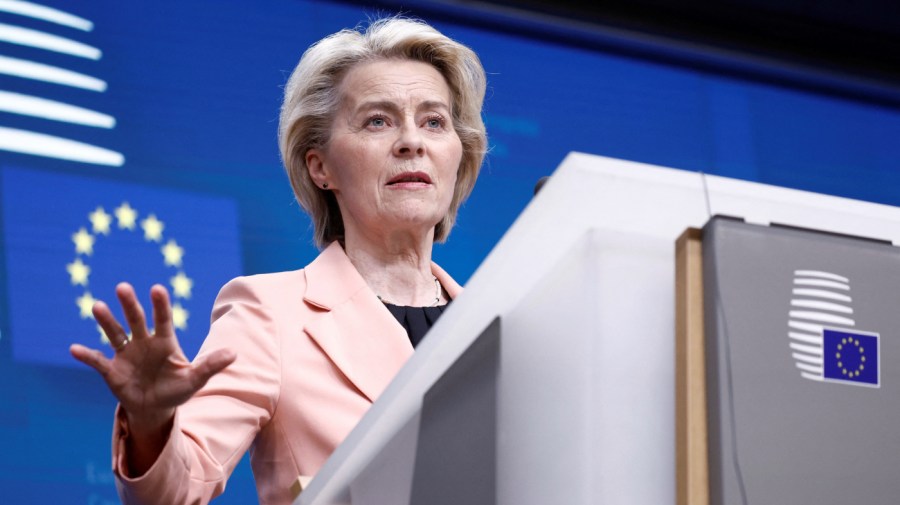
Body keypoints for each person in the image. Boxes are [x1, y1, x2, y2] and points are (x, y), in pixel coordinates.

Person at [69, 15, 487, 505]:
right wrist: (150, 424)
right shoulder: (271, 314)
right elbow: (174, 491)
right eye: (378, 120)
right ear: (321, 166)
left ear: (459, 154)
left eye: (434, 121)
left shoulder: (495, 322)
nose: (412, 141)